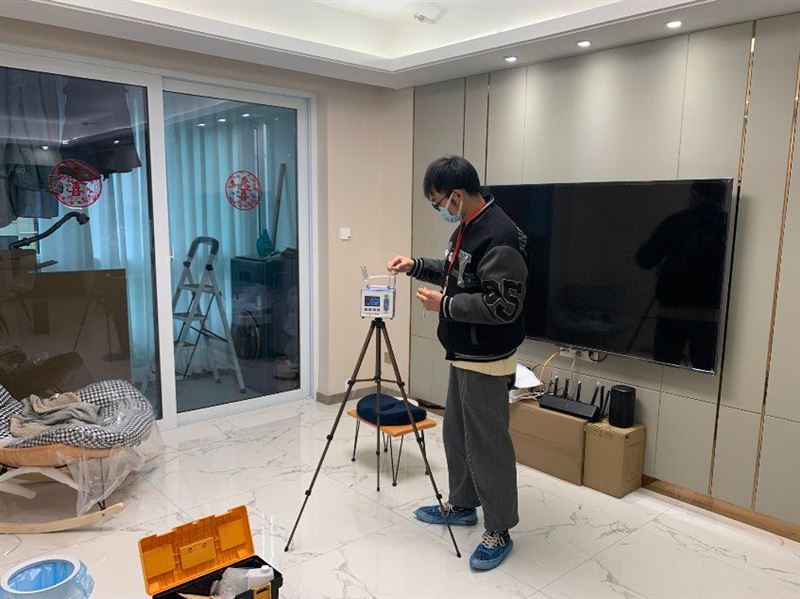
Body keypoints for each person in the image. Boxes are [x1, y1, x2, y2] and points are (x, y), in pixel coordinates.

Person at [387, 155, 528, 570]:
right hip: (464, 352)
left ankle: (499, 528)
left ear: (458, 195)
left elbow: (503, 307)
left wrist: (445, 305)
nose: (439, 210)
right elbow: (456, 274)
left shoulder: (500, 235)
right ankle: (463, 504)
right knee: (458, 434)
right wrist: (415, 266)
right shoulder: (468, 226)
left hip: (487, 356)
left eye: (438, 203)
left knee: (488, 445)